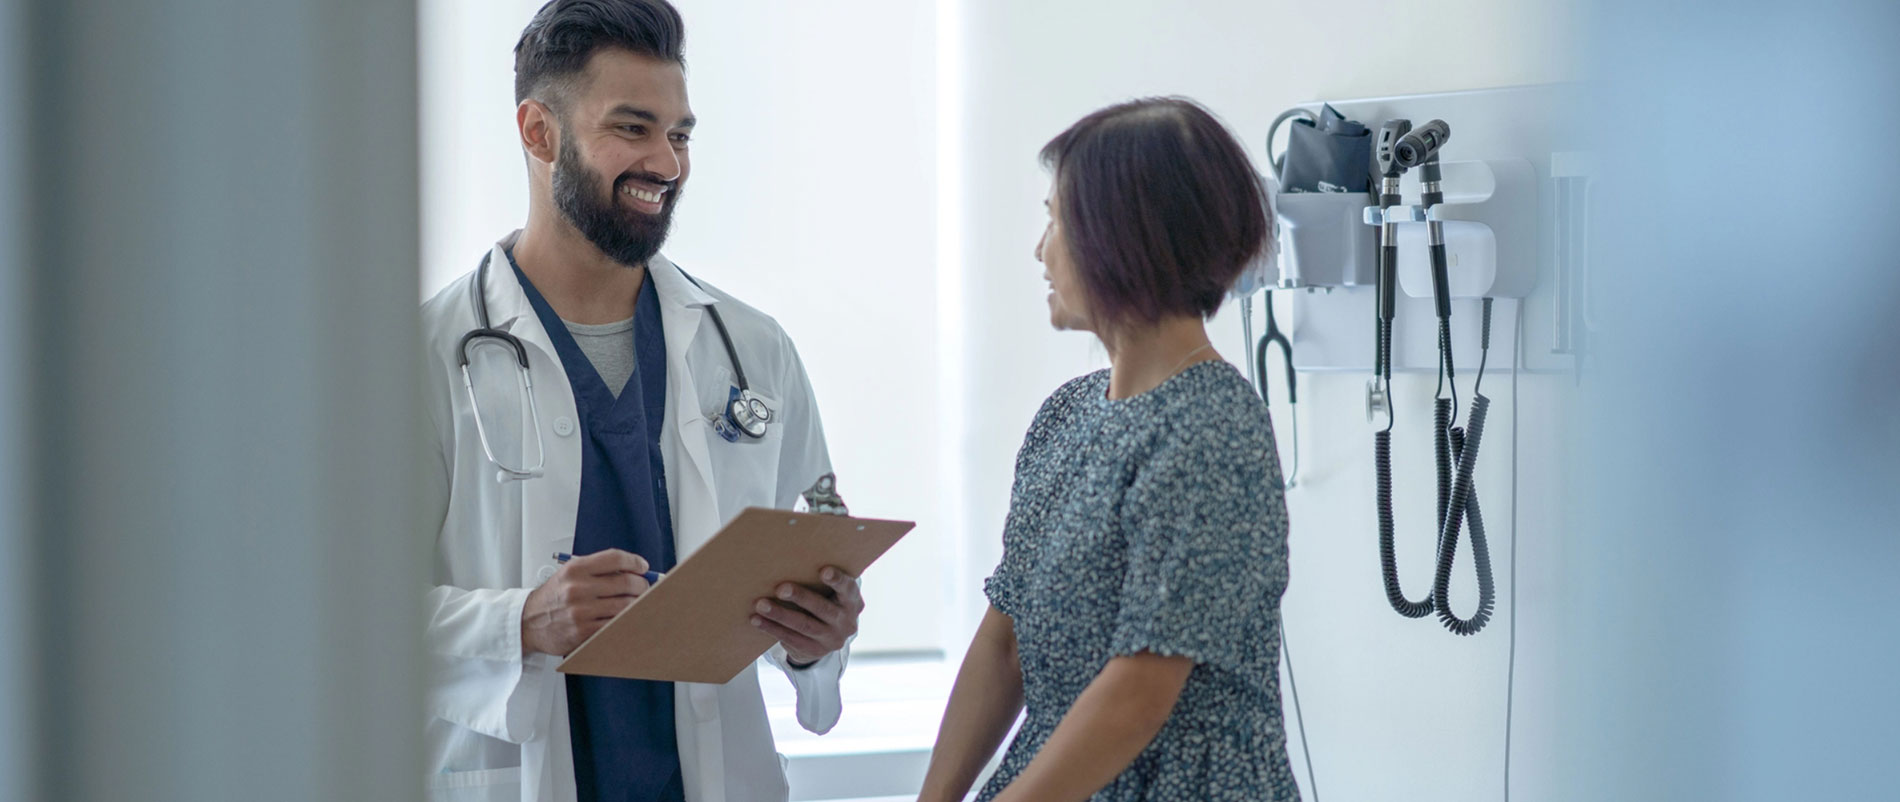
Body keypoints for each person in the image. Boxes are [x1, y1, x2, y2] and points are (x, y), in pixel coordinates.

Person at [418, 2, 862, 800]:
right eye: (633, 128)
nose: (668, 161)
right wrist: (520, 621)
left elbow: (809, 562)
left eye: (681, 134)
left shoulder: (752, 349)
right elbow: (346, 616)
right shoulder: (423, 358)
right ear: (538, 132)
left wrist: (815, 641)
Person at [918, 97, 1299, 802]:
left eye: (1057, 218)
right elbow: (1005, 645)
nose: (1041, 248)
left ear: (1124, 237)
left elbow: (1139, 692)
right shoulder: (1066, 417)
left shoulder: (1212, 428)